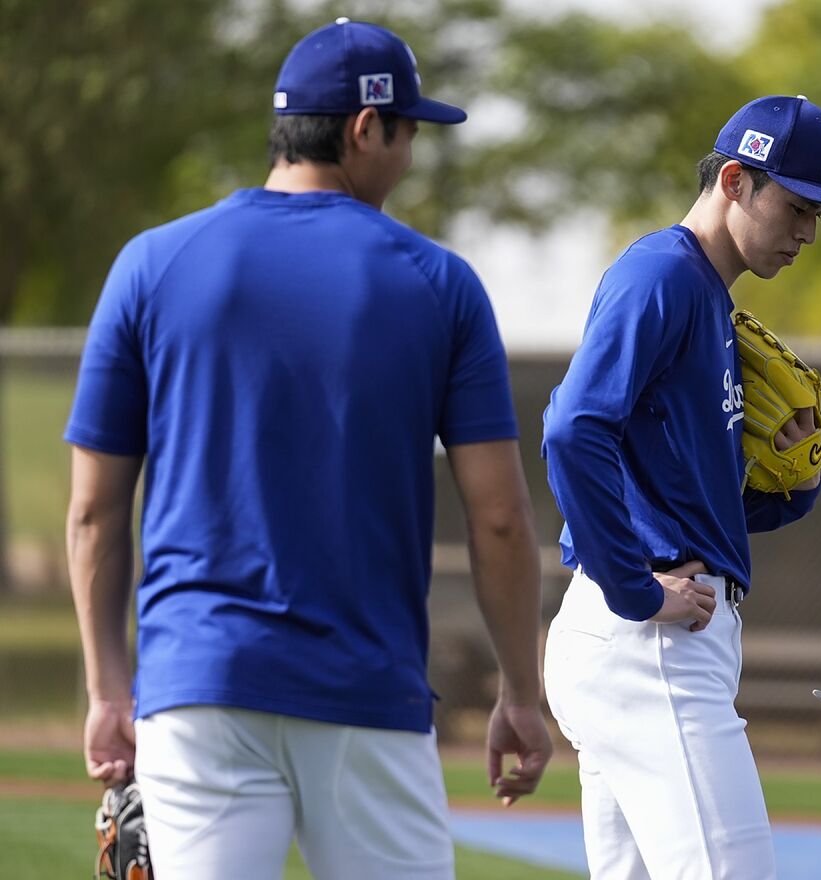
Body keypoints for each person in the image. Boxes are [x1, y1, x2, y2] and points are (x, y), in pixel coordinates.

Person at [64, 18, 551, 880]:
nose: (407, 158)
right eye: (408, 134)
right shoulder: (439, 284)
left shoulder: (150, 265)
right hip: (366, 693)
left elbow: (95, 511)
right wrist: (520, 691)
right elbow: (503, 520)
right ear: (366, 129)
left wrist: (109, 692)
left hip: (199, 684)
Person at [541, 95, 821, 879]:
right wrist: (635, 589)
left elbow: (679, 488)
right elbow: (571, 430)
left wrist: (790, 489)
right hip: (650, 644)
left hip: (650, 639)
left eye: (819, 212)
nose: (808, 232)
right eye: (795, 206)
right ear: (735, 180)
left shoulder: (704, 296)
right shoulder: (663, 276)